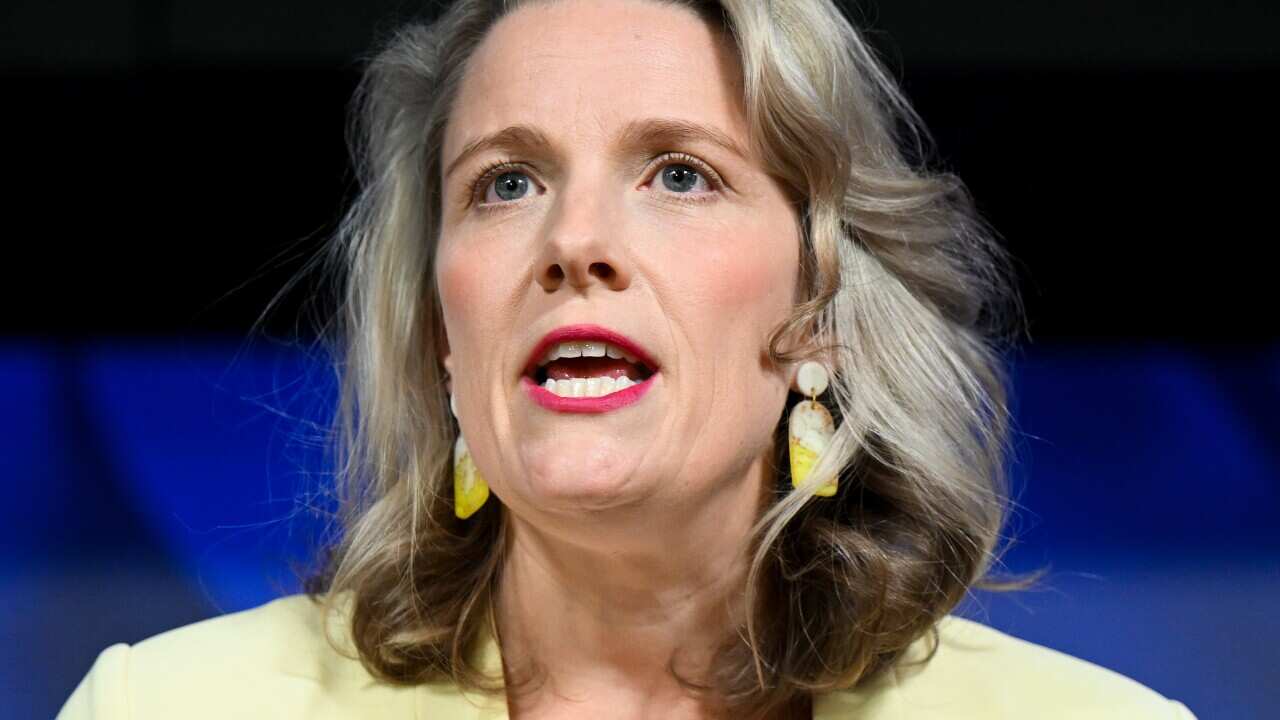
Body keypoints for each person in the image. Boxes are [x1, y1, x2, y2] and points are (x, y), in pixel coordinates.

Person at [59, 1, 1198, 718]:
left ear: (817, 314)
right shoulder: (161, 706)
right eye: (506, 184)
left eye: (677, 174)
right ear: (441, 343)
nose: (573, 244)